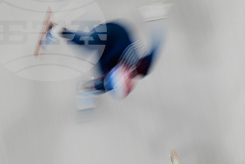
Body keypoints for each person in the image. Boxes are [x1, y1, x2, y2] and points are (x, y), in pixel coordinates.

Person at [39, 7, 168, 110]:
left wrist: (88, 90)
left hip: (105, 55)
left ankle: (60, 31)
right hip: (115, 33)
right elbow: (156, 45)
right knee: (88, 43)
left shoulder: (107, 79)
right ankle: (55, 29)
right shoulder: (141, 66)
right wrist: (156, 17)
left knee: (98, 77)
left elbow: (100, 85)